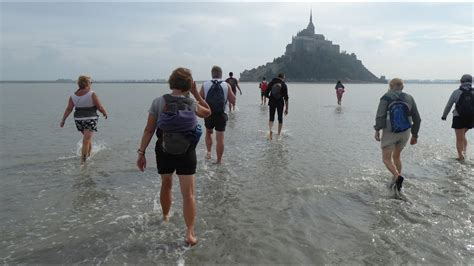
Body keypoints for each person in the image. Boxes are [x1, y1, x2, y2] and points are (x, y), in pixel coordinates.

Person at [136, 67, 211, 246]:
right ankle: (190, 233)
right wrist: (197, 94)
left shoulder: (158, 102)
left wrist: (141, 152)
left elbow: (149, 129)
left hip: (164, 149)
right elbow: (208, 113)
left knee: (166, 184)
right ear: (188, 84)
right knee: (189, 194)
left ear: (171, 82)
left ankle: (165, 217)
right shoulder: (192, 103)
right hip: (187, 152)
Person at [374, 78, 421, 194]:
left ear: (390, 86)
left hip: (390, 131)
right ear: (402, 87)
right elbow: (417, 118)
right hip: (405, 131)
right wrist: (415, 135)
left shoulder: (386, 97)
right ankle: (395, 181)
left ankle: (396, 176)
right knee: (397, 157)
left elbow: (380, 115)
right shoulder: (409, 98)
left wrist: (377, 129)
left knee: (386, 159)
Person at [60, 75, 107, 164]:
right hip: (90, 119)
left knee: (87, 138)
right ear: (87, 83)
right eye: (91, 82)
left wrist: (63, 120)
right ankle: (83, 161)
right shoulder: (92, 93)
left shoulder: (73, 96)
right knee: (86, 140)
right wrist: (104, 112)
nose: (91, 84)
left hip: (78, 120)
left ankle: (89, 155)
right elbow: (99, 106)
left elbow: (69, 109)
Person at [200, 66, 236, 164]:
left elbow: (199, 99)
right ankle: (219, 161)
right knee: (220, 138)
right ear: (221, 74)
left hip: (209, 114)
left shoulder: (205, 84)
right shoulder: (226, 85)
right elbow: (233, 100)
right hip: (221, 114)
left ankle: (208, 153)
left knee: (208, 132)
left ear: (212, 74)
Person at [441, 74, 473, 161]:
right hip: (471, 118)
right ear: (471, 82)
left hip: (458, 117)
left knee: (459, 138)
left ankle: (460, 157)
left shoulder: (456, 92)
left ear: (461, 81)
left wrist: (444, 115)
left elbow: (449, 105)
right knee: (462, 135)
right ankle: (465, 152)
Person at [265, 73, 289, 140]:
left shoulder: (271, 82)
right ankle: (279, 134)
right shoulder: (284, 85)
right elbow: (286, 98)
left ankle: (270, 131)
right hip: (280, 103)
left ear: (277, 77)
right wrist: (287, 109)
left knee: (271, 117)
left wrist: (270, 98)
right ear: (283, 77)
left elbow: (266, 93)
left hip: (272, 102)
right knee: (280, 118)